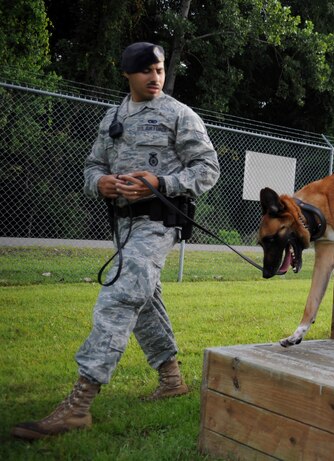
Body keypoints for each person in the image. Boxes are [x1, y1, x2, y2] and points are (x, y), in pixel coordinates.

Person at [11, 42, 220, 440]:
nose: (154, 77)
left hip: (159, 222)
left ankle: (79, 404)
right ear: (127, 74)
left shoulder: (179, 115)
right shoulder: (112, 119)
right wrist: (100, 183)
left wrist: (163, 183)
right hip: (122, 225)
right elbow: (92, 166)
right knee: (143, 301)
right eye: (146, 71)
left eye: (158, 70)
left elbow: (208, 169)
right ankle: (172, 380)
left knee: (120, 295)